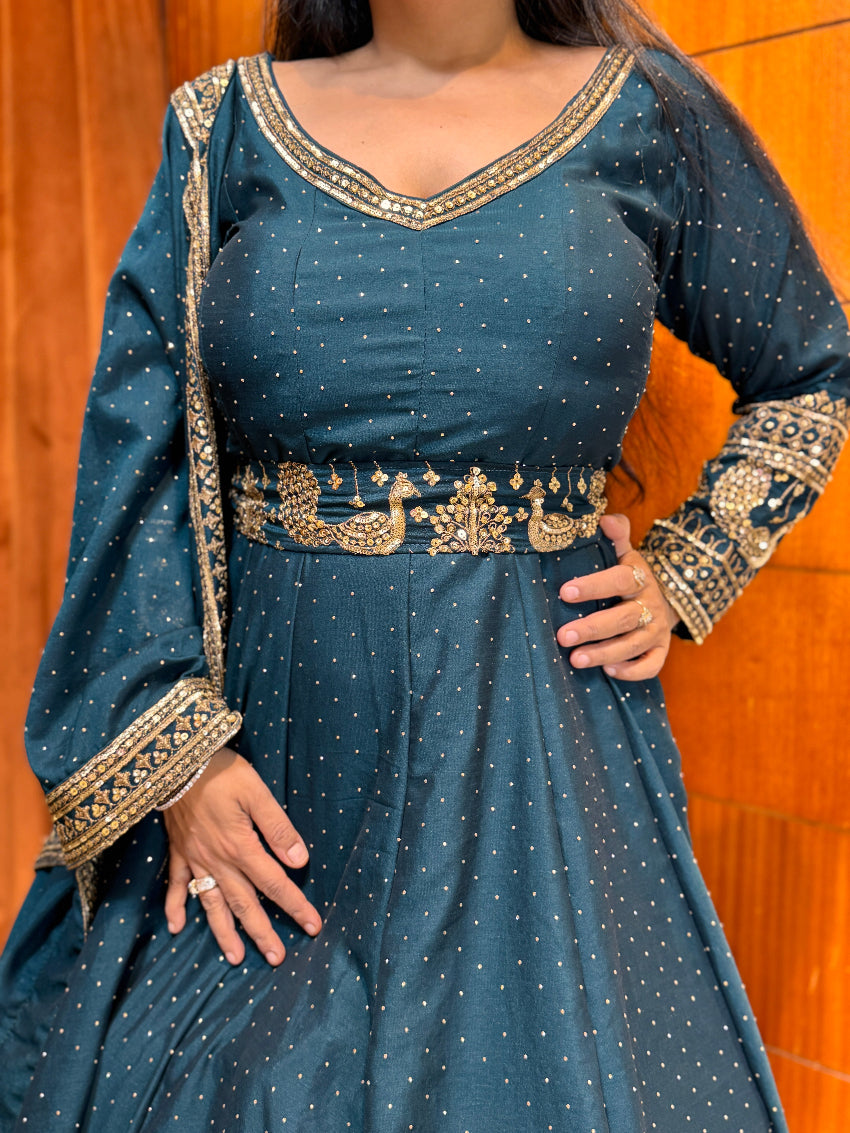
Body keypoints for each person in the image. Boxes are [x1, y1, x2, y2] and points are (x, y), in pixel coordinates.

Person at [1, 0, 847, 1128]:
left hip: (539, 742)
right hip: (268, 756)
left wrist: (690, 569)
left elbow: (808, 372)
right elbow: (134, 451)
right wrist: (177, 761)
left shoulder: (650, 113)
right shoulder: (222, 129)